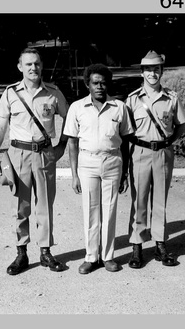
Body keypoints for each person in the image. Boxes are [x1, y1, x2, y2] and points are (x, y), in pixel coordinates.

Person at [0, 47, 69, 275]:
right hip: (18, 155)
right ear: (20, 67)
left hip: (44, 154)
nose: (33, 68)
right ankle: (21, 252)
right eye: (28, 64)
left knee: (44, 204)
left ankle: (45, 252)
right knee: (20, 206)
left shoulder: (53, 93)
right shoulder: (11, 93)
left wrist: (61, 145)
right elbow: (1, 126)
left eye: (36, 63)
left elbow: (71, 119)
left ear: (41, 66)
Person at [64, 64, 134, 274]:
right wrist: (74, 175)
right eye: (95, 83)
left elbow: (125, 142)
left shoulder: (119, 107)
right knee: (90, 211)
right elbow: (72, 144)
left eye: (103, 83)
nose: (100, 87)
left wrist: (124, 173)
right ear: (87, 85)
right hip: (88, 163)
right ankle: (91, 257)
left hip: (112, 162)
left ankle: (108, 256)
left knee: (110, 210)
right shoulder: (77, 108)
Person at [124, 50, 185, 268]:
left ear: (161, 71)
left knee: (160, 200)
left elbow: (181, 125)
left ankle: (160, 244)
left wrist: (170, 142)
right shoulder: (132, 99)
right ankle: (137, 246)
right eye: (148, 70)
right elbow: (126, 131)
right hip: (140, 153)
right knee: (139, 200)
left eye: (156, 69)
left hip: (163, 152)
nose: (153, 73)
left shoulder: (171, 98)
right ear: (142, 72)